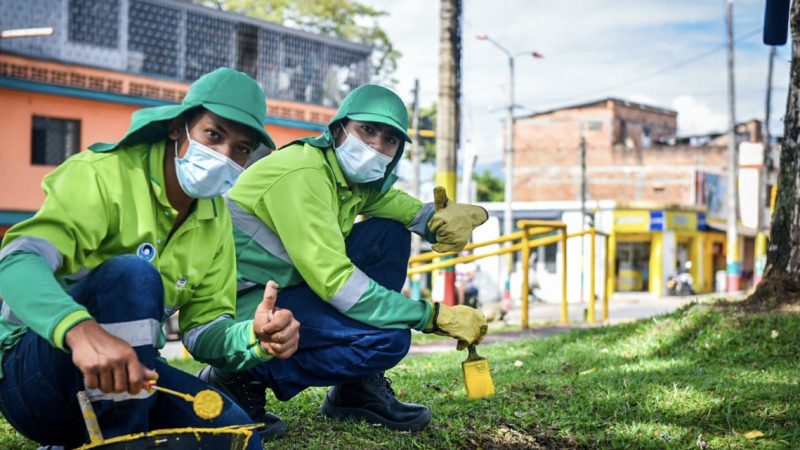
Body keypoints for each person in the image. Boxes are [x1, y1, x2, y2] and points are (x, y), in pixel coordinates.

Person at [0, 68, 300, 450]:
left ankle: (111, 437)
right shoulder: (103, 175)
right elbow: (17, 259)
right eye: (214, 135)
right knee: (133, 274)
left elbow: (203, 331)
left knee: (237, 438)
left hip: (134, 379)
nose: (225, 155)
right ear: (178, 128)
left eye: (240, 148)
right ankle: (119, 439)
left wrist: (254, 337)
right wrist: (79, 330)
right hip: (35, 375)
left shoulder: (215, 218)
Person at [198, 84, 489, 435]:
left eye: (390, 139)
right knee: (388, 339)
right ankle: (238, 377)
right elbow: (337, 282)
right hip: (241, 307)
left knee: (388, 234)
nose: (376, 146)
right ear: (338, 130)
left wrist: (436, 221)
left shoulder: (351, 181)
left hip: (285, 288)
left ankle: (354, 391)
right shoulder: (304, 174)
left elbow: (401, 208)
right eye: (367, 130)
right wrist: (431, 316)